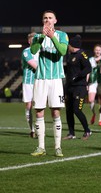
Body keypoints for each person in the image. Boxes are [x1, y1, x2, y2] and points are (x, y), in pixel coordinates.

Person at [30, 10, 68, 157]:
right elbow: (33, 50)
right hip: (40, 79)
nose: (47, 20)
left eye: (50, 18)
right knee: (39, 111)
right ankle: (41, 147)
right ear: (42, 21)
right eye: (45, 18)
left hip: (56, 79)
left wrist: (52, 37)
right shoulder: (37, 37)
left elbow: (63, 51)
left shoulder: (62, 35)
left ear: (55, 20)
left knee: (55, 111)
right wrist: (41, 38)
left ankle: (58, 147)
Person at [63, 35, 92, 140]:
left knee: (77, 110)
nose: (68, 47)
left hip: (79, 87)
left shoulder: (82, 55)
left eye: (69, 45)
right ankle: (71, 133)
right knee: (68, 111)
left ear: (73, 45)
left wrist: (78, 76)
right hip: (69, 87)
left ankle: (87, 131)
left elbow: (88, 68)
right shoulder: (70, 55)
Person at [21, 32, 38, 138]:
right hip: (28, 82)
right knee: (29, 106)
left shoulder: (41, 51)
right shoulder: (27, 51)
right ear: (29, 41)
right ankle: (32, 130)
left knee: (39, 106)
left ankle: (39, 128)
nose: (35, 41)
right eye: (33, 39)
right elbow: (35, 66)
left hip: (39, 82)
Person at [88, 44, 101, 126]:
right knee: (91, 100)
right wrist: (86, 83)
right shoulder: (90, 60)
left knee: (100, 101)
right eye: (96, 50)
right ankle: (93, 114)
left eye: (99, 50)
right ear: (94, 50)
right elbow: (87, 72)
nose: (98, 51)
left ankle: (100, 120)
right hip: (92, 82)